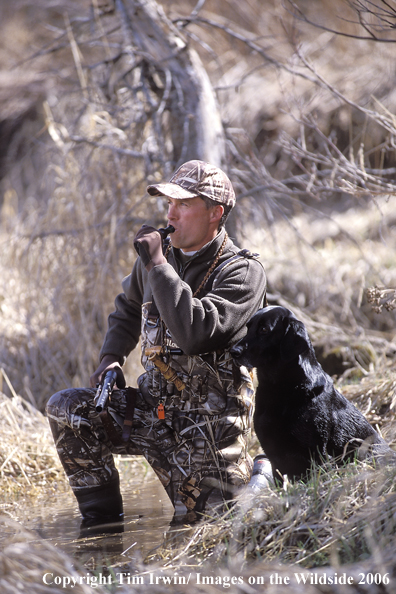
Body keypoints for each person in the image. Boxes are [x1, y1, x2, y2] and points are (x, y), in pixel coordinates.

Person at [46, 159, 266, 525]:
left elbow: (197, 333)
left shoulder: (243, 272)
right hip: (152, 414)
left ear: (216, 213)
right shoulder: (157, 259)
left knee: (214, 530)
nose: (171, 213)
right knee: (66, 408)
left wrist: (159, 267)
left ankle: (262, 473)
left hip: (207, 434)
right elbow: (128, 309)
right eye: (168, 203)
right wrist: (111, 357)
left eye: (183, 204)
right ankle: (103, 532)